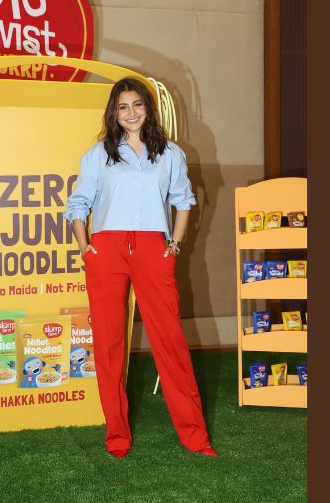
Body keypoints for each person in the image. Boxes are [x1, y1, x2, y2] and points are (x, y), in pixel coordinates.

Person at [63, 77, 217, 459]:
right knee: (108, 344)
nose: (131, 112)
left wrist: (173, 247)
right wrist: (85, 248)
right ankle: (117, 437)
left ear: (148, 108)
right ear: (113, 113)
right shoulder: (98, 155)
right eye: (123, 107)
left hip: (153, 249)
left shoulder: (170, 154)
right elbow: (78, 204)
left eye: (137, 104)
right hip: (107, 250)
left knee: (170, 341)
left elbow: (184, 201)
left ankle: (196, 437)